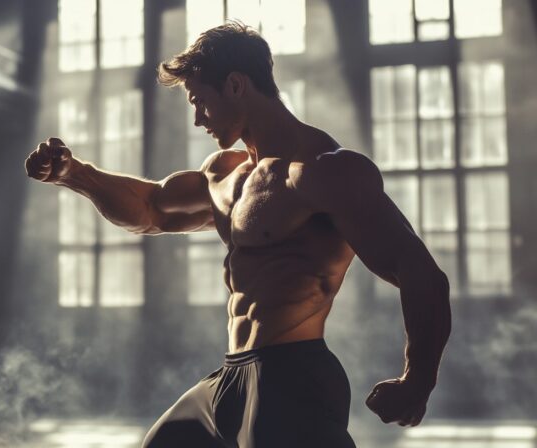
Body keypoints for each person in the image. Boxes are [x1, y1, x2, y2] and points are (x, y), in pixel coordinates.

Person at [24, 21, 451, 448]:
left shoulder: (323, 170)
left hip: (292, 374)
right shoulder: (224, 174)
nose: (197, 119)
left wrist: (418, 379)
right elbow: (151, 209)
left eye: (199, 102)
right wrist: (76, 175)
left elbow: (419, 272)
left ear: (234, 85)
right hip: (231, 375)